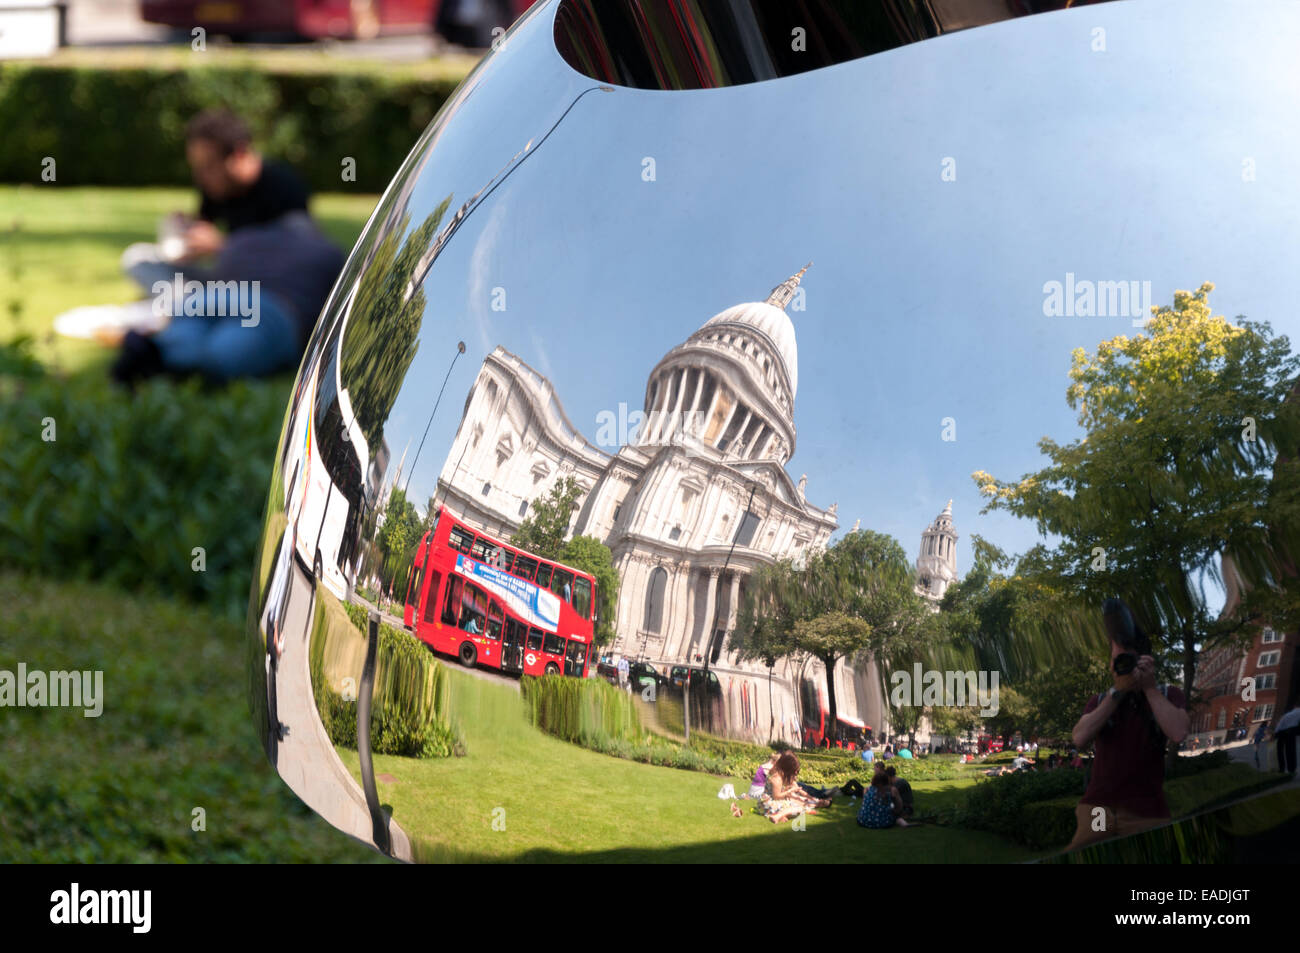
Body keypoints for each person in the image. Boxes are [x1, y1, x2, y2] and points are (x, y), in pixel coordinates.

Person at [110, 109, 343, 386]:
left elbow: (300, 251)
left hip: (255, 298)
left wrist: (223, 245)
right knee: (209, 335)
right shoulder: (216, 194)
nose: (202, 177)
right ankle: (165, 353)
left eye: (208, 166)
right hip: (235, 292)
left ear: (239, 154)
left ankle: (161, 350)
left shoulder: (286, 193)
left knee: (208, 337)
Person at [1066, 598, 1189, 851]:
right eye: (1117, 659)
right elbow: (1079, 738)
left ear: (1145, 661)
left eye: (1128, 660)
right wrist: (1116, 694)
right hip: (1099, 809)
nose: (1122, 666)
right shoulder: (1101, 700)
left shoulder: (1167, 694)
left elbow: (1178, 732)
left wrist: (1150, 689)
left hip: (1145, 811)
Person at [761, 752, 829, 823]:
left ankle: (781, 815)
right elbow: (776, 797)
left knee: (798, 808)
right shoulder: (777, 779)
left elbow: (778, 793)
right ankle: (777, 816)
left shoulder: (780, 776)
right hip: (768, 805)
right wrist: (789, 791)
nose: (795, 774)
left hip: (771, 803)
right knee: (798, 808)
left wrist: (787, 790)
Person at [1275, 704, 1300, 777]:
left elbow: (1279, 726)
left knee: (1280, 751)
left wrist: (1275, 734)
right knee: (1291, 751)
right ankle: (1291, 768)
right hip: (1292, 732)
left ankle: (1281, 768)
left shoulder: (1287, 715)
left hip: (1282, 733)